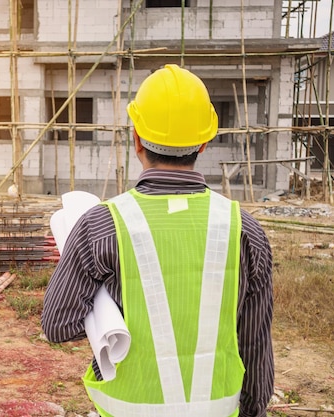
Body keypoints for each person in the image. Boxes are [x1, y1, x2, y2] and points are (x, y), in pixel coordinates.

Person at [41, 64, 273, 417]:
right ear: (204, 142)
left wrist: (102, 299)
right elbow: (255, 346)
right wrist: (254, 410)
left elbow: (59, 324)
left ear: (136, 139)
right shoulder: (246, 231)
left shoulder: (99, 226)